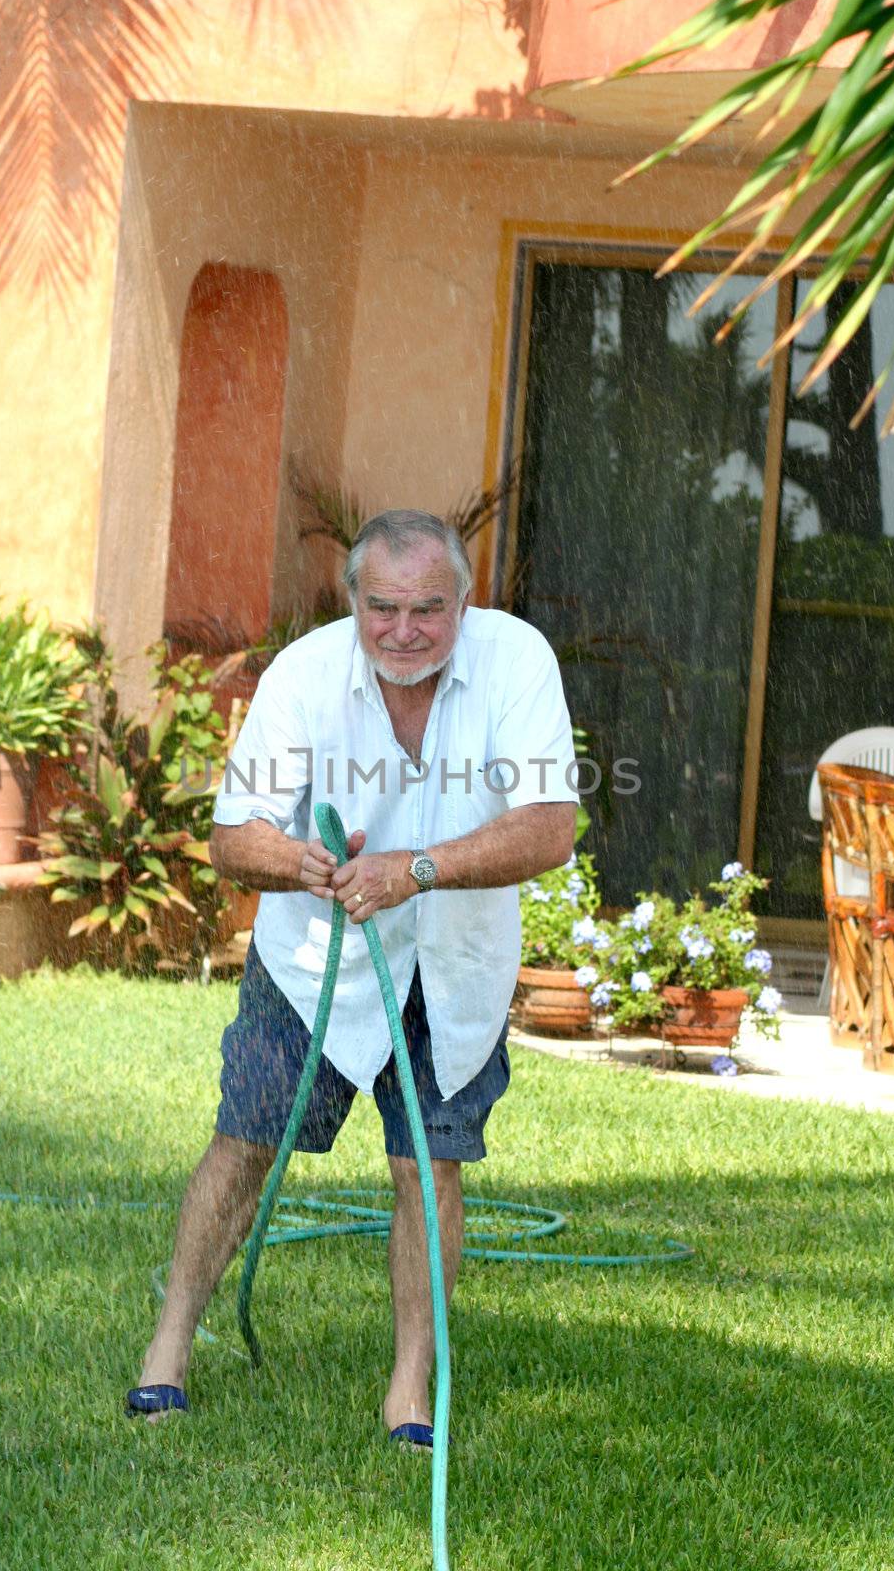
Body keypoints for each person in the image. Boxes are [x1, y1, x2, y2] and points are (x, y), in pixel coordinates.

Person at [126, 509, 577, 1439]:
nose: (405, 630)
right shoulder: (305, 673)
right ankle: (169, 1344)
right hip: (310, 960)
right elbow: (229, 836)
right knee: (245, 1140)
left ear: (464, 601)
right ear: (352, 602)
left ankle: (410, 1386)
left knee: (428, 1164)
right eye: (384, 608)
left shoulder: (516, 659)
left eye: (428, 609)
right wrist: (302, 864)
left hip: (452, 960)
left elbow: (548, 828)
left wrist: (412, 868)